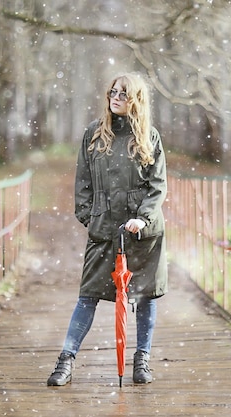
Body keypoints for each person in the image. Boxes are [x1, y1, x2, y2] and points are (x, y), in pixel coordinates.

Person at [46, 72, 168, 386]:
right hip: (103, 231)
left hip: (142, 233)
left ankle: (142, 360)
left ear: (136, 100)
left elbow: (157, 187)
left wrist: (142, 219)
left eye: (124, 94)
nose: (116, 97)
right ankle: (65, 360)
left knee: (145, 297)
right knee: (87, 296)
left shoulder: (149, 137)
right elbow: (82, 184)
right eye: (113, 92)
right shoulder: (93, 134)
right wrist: (92, 217)